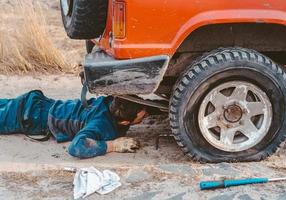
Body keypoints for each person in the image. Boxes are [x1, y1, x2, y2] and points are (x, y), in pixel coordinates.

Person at [0, 90, 148, 158]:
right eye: (142, 116)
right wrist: (113, 145)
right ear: (124, 122)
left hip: (38, 103)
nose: (145, 114)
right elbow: (76, 147)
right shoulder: (101, 125)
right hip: (31, 117)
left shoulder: (109, 102)